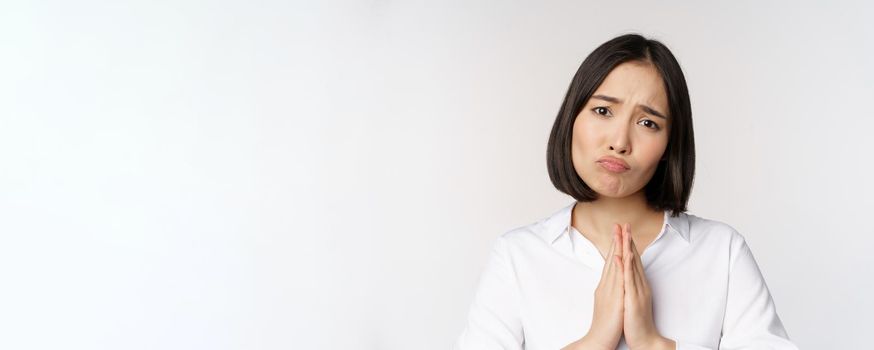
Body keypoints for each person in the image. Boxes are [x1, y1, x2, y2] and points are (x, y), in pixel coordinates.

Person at [452, 34, 798, 350]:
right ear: (572, 118)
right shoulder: (518, 256)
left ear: (669, 145)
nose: (619, 142)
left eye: (648, 123)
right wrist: (594, 341)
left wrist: (652, 344)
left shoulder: (722, 253)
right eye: (603, 111)